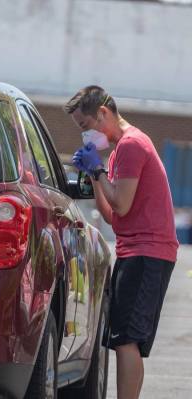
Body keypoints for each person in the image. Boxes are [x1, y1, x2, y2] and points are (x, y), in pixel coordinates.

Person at [63, 86, 179, 399]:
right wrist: (93, 175)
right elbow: (113, 214)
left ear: (103, 112)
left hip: (148, 250)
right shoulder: (117, 153)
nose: (87, 135)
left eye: (86, 126)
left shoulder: (132, 145)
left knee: (127, 339)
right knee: (122, 338)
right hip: (134, 249)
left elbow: (123, 204)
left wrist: (98, 169)